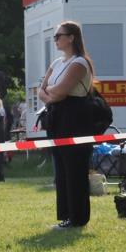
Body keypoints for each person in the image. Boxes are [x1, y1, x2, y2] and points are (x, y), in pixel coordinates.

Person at [38, 20, 96, 230]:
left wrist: (51, 92)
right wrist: (52, 93)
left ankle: (78, 217)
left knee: (75, 168)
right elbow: (41, 90)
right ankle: (66, 215)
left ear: (71, 37)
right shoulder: (56, 63)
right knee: (61, 169)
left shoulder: (80, 63)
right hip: (57, 116)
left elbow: (61, 91)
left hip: (75, 118)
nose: (55, 40)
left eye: (58, 36)